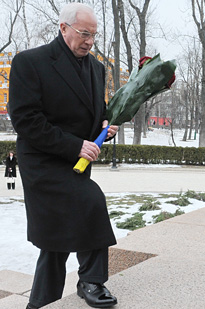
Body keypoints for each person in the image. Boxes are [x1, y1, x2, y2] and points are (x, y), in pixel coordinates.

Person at [8, 3, 118, 308]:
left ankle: (40, 303)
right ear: (63, 28)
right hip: (44, 162)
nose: (89, 41)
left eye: (94, 35)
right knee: (91, 201)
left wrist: (106, 126)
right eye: (84, 34)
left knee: (56, 238)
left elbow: (96, 113)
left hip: (79, 162)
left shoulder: (97, 68)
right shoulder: (30, 62)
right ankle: (92, 280)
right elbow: (25, 119)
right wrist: (74, 146)